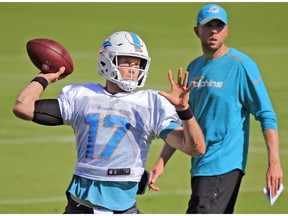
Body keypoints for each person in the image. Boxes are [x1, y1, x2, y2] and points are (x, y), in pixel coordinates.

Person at [12, 31, 205, 214]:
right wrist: (44, 77)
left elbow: (195, 148)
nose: (133, 70)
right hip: (81, 206)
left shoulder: (150, 103)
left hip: (124, 208)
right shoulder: (83, 97)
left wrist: (184, 111)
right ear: (107, 60)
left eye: (137, 64)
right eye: (126, 62)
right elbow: (23, 106)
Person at [148, 4, 283, 214]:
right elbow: (186, 121)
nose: (213, 31)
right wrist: (161, 162)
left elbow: (266, 115)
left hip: (224, 165)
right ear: (197, 31)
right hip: (200, 164)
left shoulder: (241, 65)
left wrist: (274, 163)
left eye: (218, 26)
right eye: (208, 25)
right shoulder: (193, 68)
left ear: (226, 30)